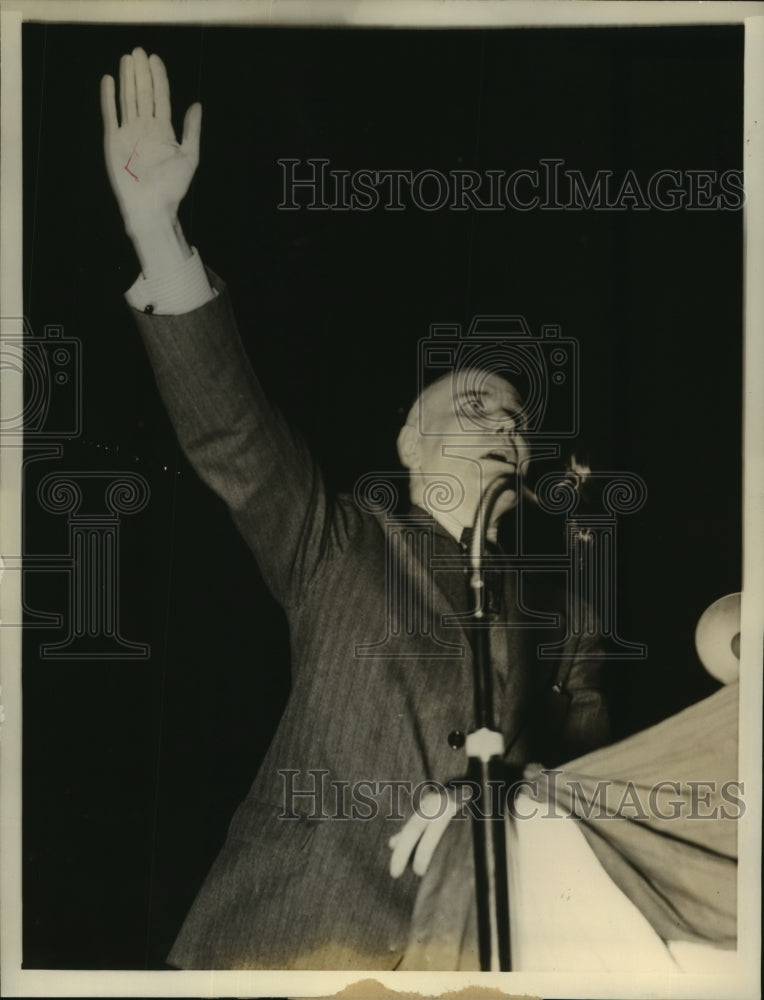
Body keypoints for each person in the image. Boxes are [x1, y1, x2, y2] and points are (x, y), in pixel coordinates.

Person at [101, 48, 612, 970]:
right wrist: (158, 232)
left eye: (517, 420)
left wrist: (506, 792)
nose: (507, 427)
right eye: (476, 408)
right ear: (410, 445)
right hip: (279, 947)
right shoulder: (338, 543)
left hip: (461, 963)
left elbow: (594, 789)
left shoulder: (568, 621)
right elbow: (233, 432)